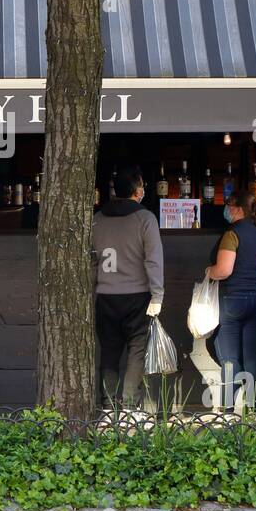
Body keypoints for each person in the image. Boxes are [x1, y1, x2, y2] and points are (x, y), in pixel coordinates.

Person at [92, 165, 163, 410]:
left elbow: (91, 260)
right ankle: (130, 408)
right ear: (136, 190)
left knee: (109, 352)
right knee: (137, 351)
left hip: (105, 296)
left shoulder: (97, 219)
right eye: (142, 185)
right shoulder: (145, 218)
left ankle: (108, 405)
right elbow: (153, 259)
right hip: (136, 296)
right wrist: (158, 295)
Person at [204, 190, 256, 410]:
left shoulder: (232, 234)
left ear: (238, 208)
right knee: (252, 356)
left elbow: (224, 270)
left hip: (232, 300)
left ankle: (229, 410)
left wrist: (208, 271)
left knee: (229, 357)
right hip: (255, 300)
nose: (226, 209)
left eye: (229, 205)